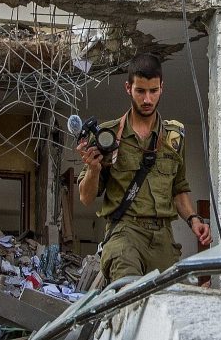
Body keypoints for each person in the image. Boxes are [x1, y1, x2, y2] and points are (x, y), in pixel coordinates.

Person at [77, 53, 212, 282]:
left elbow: (178, 188)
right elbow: (85, 198)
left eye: (153, 91)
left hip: (162, 237)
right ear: (128, 88)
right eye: (140, 91)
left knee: (167, 305)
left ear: (162, 88)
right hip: (124, 232)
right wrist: (93, 169)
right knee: (130, 295)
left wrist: (194, 220)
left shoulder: (174, 137)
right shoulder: (108, 136)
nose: (147, 99)